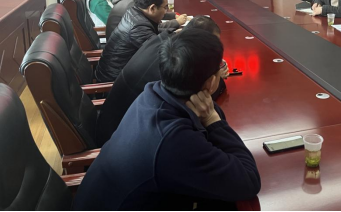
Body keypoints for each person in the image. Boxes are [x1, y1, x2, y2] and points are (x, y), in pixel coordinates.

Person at [73, 29, 261, 211]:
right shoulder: (173, 140)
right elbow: (249, 180)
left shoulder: (152, 93)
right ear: (212, 82)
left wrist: (210, 111)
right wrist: (213, 121)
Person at [96, 16, 230, 146]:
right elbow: (197, 99)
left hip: (118, 124)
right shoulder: (176, 65)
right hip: (117, 135)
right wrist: (216, 75)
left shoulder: (164, 44)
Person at [95, 0, 168, 83]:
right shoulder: (138, 27)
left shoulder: (134, 12)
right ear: (152, 8)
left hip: (117, 73)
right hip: (115, 82)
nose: (166, 11)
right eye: (165, 7)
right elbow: (161, 52)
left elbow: (154, 35)